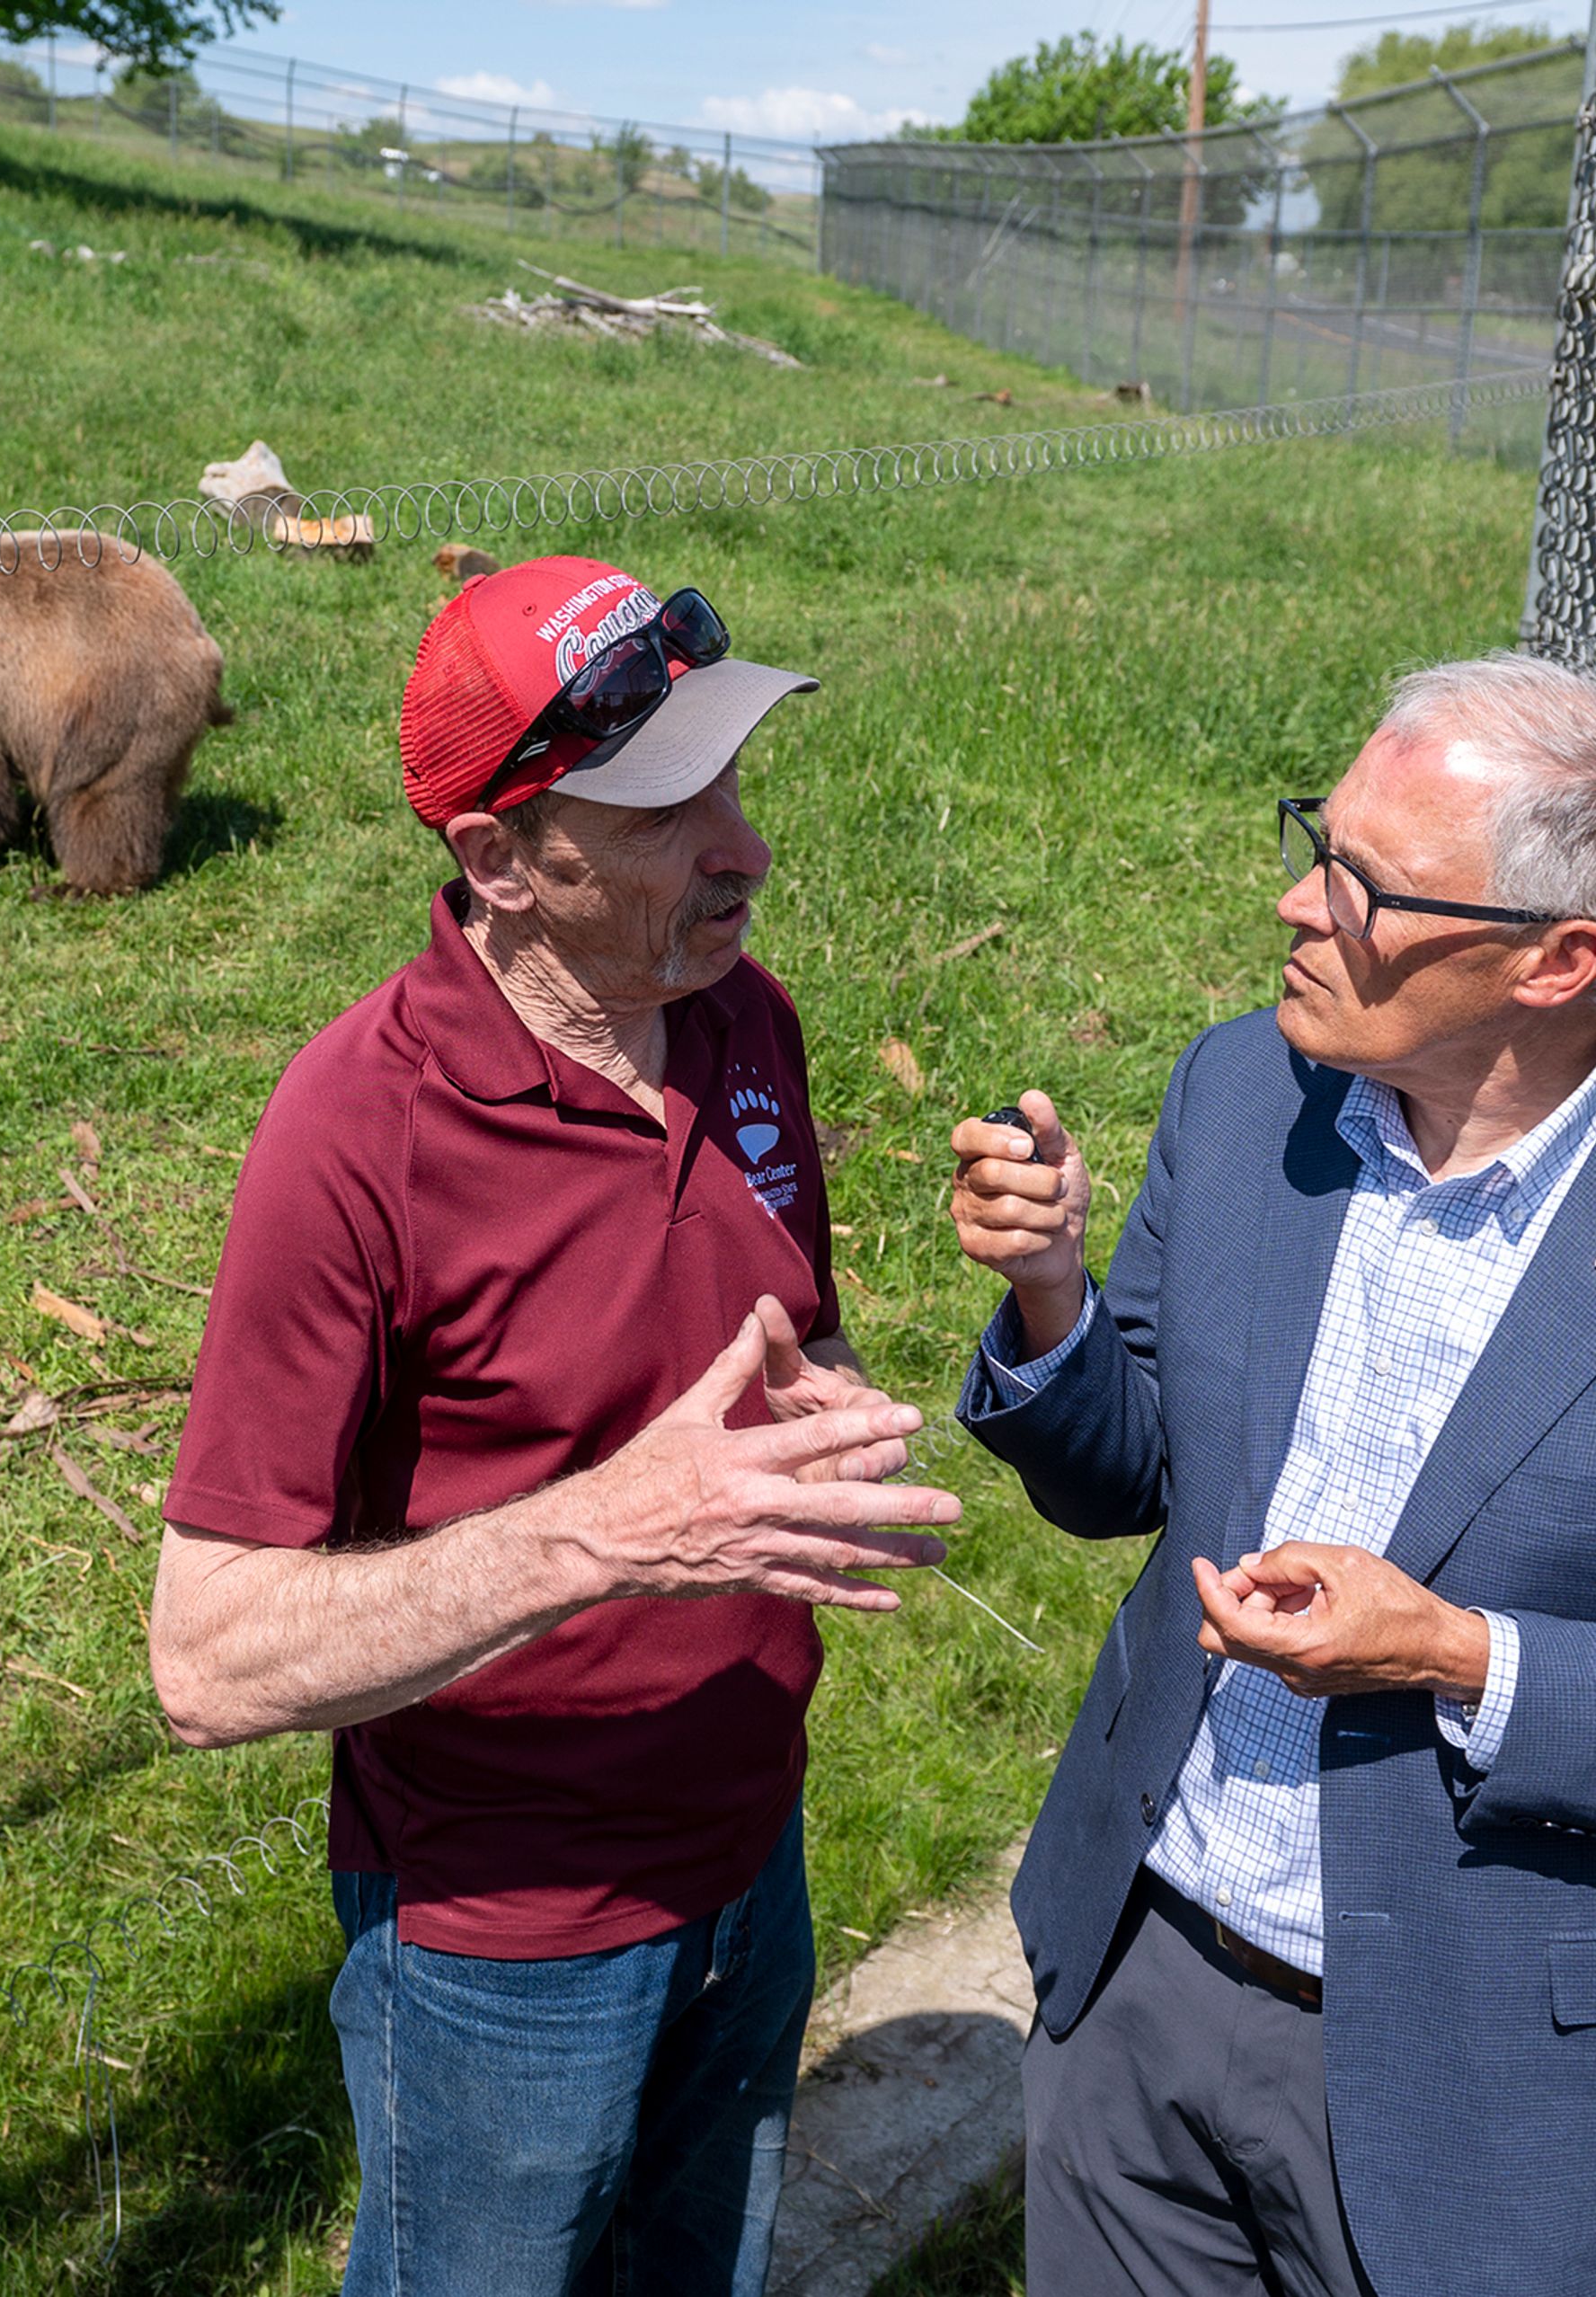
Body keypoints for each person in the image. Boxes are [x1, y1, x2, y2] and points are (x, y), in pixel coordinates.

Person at [945, 652, 1596, 2297]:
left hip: (1487, 2081)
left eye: (1365, 884)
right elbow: (1127, 1481)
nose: (1296, 902)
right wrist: (1054, 1300)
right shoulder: (1245, 1093)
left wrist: (1458, 1659)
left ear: (1559, 960)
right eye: (1317, 839)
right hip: (1140, 1976)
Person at [147, 555, 962, 2296]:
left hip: (756, 1857)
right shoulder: (354, 1138)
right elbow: (205, 1659)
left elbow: (780, 1324)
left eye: (734, 780)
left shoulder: (747, 1025)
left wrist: (810, 1410)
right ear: (500, 862)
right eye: (672, 812)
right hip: (507, 1948)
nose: (746, 849)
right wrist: (610, 1530)